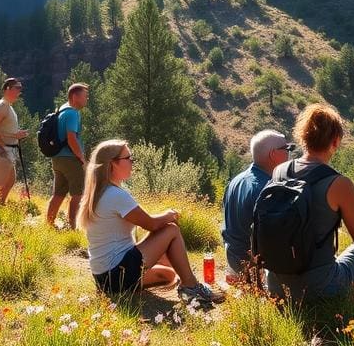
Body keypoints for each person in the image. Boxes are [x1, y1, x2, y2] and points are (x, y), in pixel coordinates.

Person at [266, 103, 354, 306]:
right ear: (335, 142)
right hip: (320, 288)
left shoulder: (279, 172)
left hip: (277, 285)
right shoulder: (339, 184)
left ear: (303, 138)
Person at [78, 139, 225, 305]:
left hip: (104, 278)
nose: (132, 162)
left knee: (169, 275)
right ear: (114, 164)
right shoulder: (116, 195)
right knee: (170, 230)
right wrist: (169, 214)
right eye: (128, 158)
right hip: (116, 271)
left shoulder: (99, 192)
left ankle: (185, 279)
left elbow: (147, 223)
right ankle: (191, 287)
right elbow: (152, 224)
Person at [222, 129, 294, 281]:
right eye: (287, 149)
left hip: (233, 259)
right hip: (252, 269)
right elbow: (277, 239)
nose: (290, 153)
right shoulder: (266, 189)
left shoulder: (237, 180)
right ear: (273, 155)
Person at [47, 83, 89, 230]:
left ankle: (49, 224)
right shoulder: (72, 113)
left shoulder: (62, 110)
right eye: (84, 96)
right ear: (75, 96)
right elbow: (71, 138)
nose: (86, 99)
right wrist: (81, 158)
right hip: (71, 159)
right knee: (78, 194)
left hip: (58, 158)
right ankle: (73, 227)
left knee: (58, 193)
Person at [0, 77, 28, 205]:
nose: (19, 91)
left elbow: (1, 128)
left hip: (6, 149)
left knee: (10, 180)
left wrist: (15, 135)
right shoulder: (3, 106)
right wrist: (3, 147)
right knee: (0, 182)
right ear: (7, 89)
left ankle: (0, 205)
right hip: (1, 150)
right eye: (17, 88)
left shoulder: (7, 106)